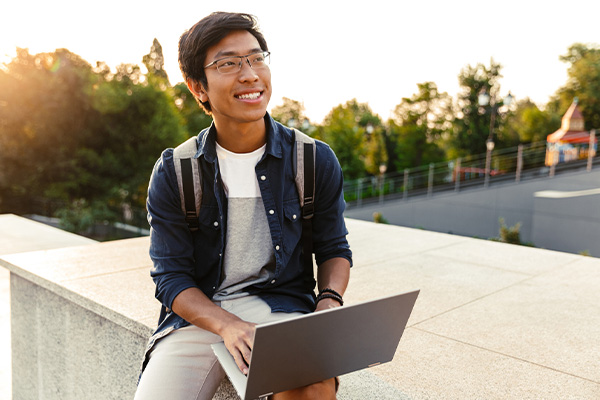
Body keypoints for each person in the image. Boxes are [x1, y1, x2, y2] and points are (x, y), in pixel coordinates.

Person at [135, 12, 352, 400]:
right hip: (200, 319)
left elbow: (334, 249)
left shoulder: (313, 159)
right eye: (228, 63)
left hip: (282, 309)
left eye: (256, 58)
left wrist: (329, 302)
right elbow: (171, 279)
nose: (250, 74)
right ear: (198, 87)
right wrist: (227, 324)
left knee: (313, 389)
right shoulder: (176, 171)